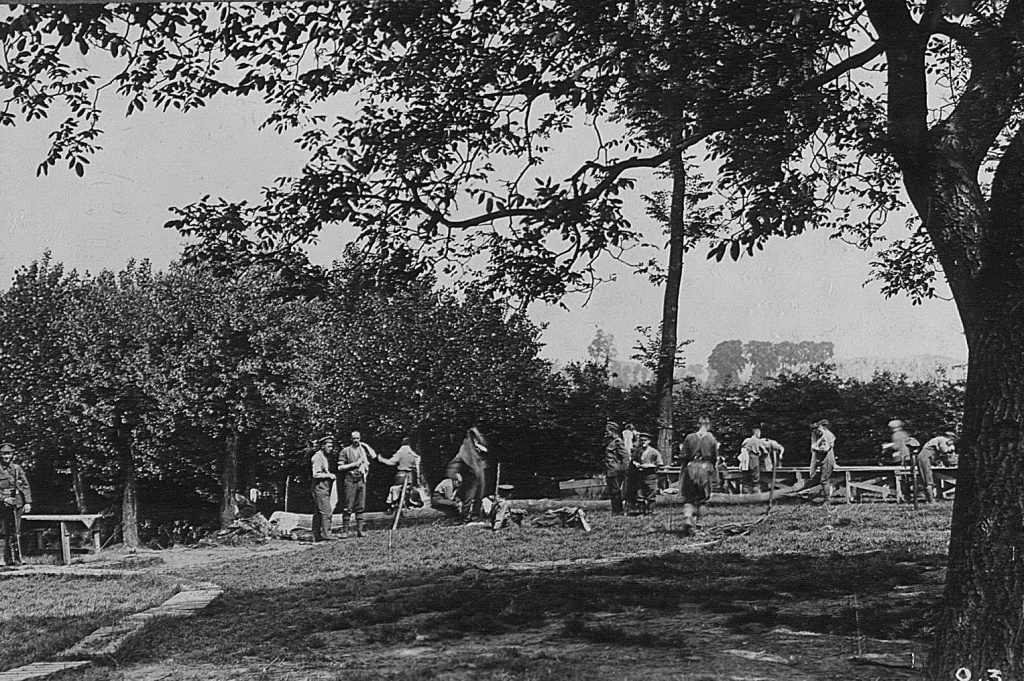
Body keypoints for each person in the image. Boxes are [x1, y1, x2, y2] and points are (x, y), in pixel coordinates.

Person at [678, 416, 720, 535]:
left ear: (698, 424)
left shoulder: (689, 437)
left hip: (690, 467)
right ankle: (700, 524)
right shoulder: (712, 439)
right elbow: (714, 457)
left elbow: (684, 455)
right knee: (703, 499)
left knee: (689, 497)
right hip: (705, 468)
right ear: (709, 426)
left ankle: (687, 517)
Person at [446, 426, 489, 521]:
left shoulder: (478, 446)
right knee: (469, 496)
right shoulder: (465, 448)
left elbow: (484, 454)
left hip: (480, 473)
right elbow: (456, 461)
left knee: (480, 495)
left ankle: (475, 515)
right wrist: (455, 474)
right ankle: (465, 516)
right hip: (471, 475)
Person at [337, 431, 375, 538]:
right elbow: (340, 467)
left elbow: (373, 455)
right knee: (348, 506)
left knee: (360, 506)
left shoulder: (362, 451)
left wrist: (366, 445)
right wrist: (354, 464)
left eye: (358, 438)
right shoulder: (345, 451)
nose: (356, 440)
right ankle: (345, 531)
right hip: (350, 479)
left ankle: (360, 531)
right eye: (354, 438)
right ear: (351, 439)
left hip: (361, 479)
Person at [0, 442, 32, 566]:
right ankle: (5, 559)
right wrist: (3, 499)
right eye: (3, 454)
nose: (6, 456)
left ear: (12, 455)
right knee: (4, 531)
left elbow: (25, 485)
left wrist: (28, 502)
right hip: (2, 505)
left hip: (17, 503)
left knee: (16, 531)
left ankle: (17, 558)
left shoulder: (17, 468)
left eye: (8, 454)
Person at [309, 436, 337, 542]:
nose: (331, 448)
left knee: (318, 512)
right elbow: (316, 474)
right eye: (329, 446)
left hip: (324, 487)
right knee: (326, 511)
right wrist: (329, 475)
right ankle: (327, 534)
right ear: (323, 446)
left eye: (332, 446)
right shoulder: (317, 457)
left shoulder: (323, 457)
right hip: (319, 487)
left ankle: (316, 535)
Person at [633, 433, 664, 515]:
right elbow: (634, 459)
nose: (643, 442)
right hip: (640, 475)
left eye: (645, 440)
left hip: (650, 476)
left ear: (649, 441)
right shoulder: (638, 451)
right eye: (641, 440)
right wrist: (636, 463)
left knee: (651, 493)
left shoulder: (654, 452)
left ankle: (650, 512)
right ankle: (641, 511)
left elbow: (660, 464)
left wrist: (649, 465)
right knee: (640, 494)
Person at [603, 421, 630, 515]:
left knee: (616, 491)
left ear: (612, 431)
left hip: (615, 471)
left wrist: (621, 469)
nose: (606, 433)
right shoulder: (611, 442)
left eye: (607, 431)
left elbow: (626, 457)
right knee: (612, 492)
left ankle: (618, 511)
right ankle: (615, 511)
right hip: (610, 470)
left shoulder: (618, 441)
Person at [809, 420, 837, 505]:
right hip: (819, 458)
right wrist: (817, 448)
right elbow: (813, 446)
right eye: (815, 430)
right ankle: (816, 496)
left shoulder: (828, 435)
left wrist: (820, 448)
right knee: (815, 477)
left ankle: (827, 500)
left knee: (824, 480)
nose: (817, 431)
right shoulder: (815, 434)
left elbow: (826, 448)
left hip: (827, 459)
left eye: (818, 429)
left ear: (823, 428)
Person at [739, 425, 767, 494]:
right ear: (757, 432)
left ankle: (744, 498)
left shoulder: (746, 440)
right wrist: (760, 456)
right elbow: (765, 452)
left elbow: (743, 449)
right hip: (753, 460)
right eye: (759, 432)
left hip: (745, 461)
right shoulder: (758, 441)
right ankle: (755, 498)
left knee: (745, 480)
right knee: (755, 480)